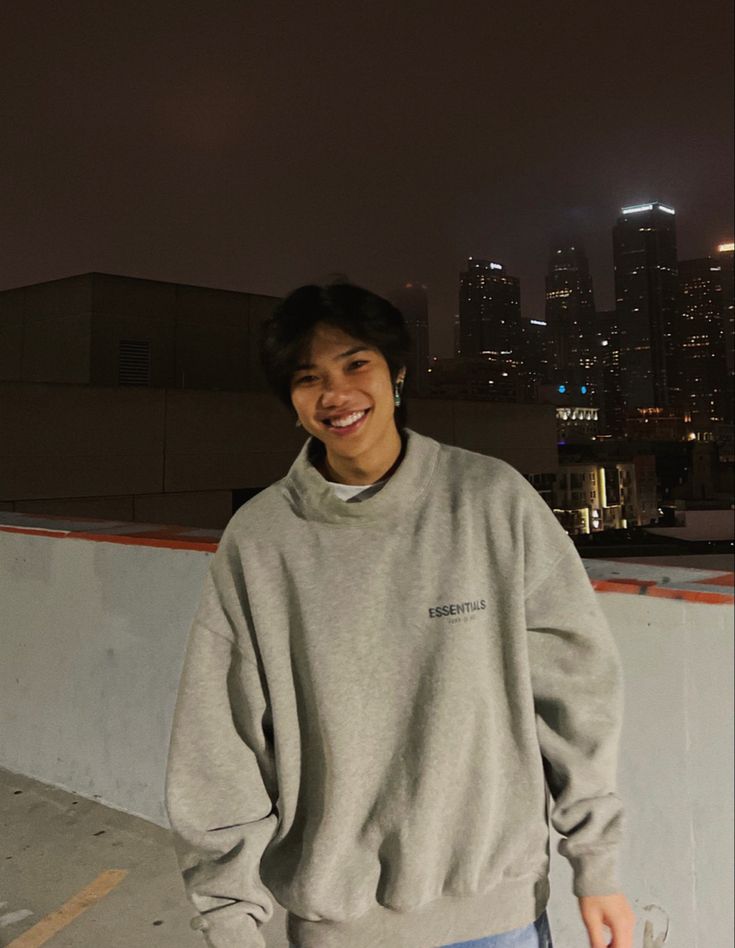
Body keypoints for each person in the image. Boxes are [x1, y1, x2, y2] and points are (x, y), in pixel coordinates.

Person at [165, 281, 637, 948]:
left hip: (497, 914)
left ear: (396, 376)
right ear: (292, 403)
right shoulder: (262, 540)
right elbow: (220, 740)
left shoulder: (490, 500)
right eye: (308, 378)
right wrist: (229, 921)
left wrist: (597, 865)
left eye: (355, 364)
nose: (335, 393)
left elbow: (575, 690)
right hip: (340, 926)